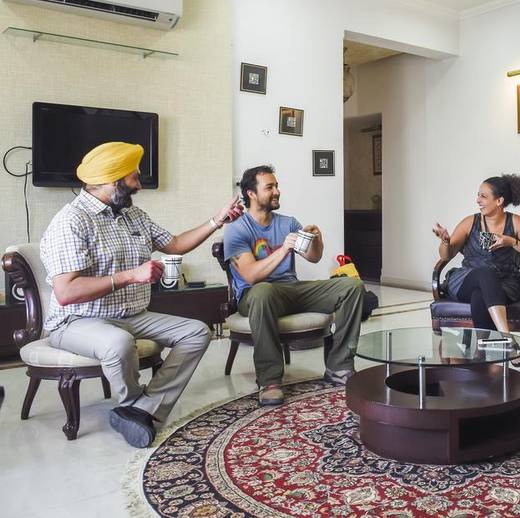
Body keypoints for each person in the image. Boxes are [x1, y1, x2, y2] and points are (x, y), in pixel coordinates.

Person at [41, 142, 244, 448]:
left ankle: (139, 410)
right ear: (111, 180)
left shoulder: (132, 214)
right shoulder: (71, 221)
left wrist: (217, 221)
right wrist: (130, 276)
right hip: (77, 320)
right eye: (134, 176)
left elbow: (175, 244)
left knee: (197, 332)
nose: (139, 183)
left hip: (132, 315)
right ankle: (136, 407)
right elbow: (67, 291)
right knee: (119, 342)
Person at [223, 165, 363, 405]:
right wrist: (284, 249)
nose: (277, 191)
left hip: (291, 290)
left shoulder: (288, 223)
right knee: (263, 291)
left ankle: (339, 366)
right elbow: (250, 276)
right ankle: (269, 380)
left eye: (277, 186)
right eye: (269, 187)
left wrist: (317, 239)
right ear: (251, 193)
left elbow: (313, 257)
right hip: (255, 295)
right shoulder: (237, 229)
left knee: (352, 286)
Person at [432, 174, 520, 348]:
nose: (478, 200)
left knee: (480, 297)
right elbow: (446, 256)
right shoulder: (470, 222)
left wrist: (512, 242)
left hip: (504, 283)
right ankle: (506, 337)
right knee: (485, 272)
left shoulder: (515, 222)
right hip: (467, 280)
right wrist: (446, 241)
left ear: (499, 201)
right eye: (478, 195)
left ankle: (487, 354)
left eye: (483, 196)